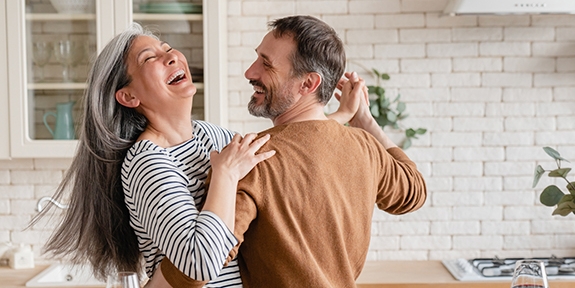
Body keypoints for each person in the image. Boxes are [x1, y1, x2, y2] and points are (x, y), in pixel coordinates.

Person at [158, 15, 427, 287]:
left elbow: (195, 270)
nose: (250, 72)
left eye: (266, 65)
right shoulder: (365, 147)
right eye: (257, 58)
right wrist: (365, 121)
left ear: (308, 84)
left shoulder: (252, 159)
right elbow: (413, 192)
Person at [33, 22, 276, 287]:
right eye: (150, 58)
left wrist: (325, 123)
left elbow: (272, 169)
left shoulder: (213, 136)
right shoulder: (146, 163)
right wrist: (225, 175)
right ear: (128, 96)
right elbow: (200, 264)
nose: (172, 56)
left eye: (168, 48)